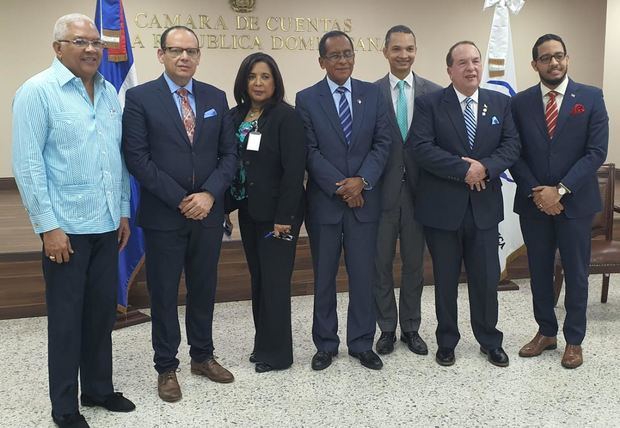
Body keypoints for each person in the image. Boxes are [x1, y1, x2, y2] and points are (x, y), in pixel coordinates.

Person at [12, 13, 135, 428]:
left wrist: (121, 210)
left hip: (105, 226)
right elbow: (28, 166)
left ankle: (99, 388)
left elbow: (116, 160)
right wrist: (48, 227)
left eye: (96, 42)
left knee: (101, 315)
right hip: (65, 232)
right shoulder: (37, 92)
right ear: (58, 48)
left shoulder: (107, 93)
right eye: (80, 41)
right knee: (67, 321)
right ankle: (65, 406)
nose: (90, 49)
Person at [122, 25, 237, 402]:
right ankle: (166, 367)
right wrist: (182, 199)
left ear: (199, 56)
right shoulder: (140, 98)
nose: (184, 57)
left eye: (191, 51)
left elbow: (229, 155)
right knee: (165, 293)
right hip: (164, 216)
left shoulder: (215, 97)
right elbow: (138, 158)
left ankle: (202, 357)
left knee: (204, 288)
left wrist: (208, 195)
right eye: (175, 50)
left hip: (207, 214)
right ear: (161, 55)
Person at [409, 41, 520, 367]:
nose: (471, 68)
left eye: (475, 61)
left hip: (484, 209)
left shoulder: (500, 102)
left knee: (486, 279)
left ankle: (489, 339)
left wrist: (484, 167)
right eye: (462, 63)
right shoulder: (430, 104)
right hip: (442, 210)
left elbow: (512, 146)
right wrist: (464, 169)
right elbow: (422, 148)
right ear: (449, 70)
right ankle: (447, 341)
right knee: (444, 280)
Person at [510, 34, 608, 369]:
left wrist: (561, 189)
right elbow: (514, 153)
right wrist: (539, 191)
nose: (554, 63)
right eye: (546, 58)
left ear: (567, 58)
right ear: (534, 64)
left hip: (576, 204)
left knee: (577, 273)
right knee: (538, 271)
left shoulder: (591, 97)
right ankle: (546, 332)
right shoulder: (519, 103)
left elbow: (596, 152)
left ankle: (574, 340)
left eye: (559, 56)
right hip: (534, 203)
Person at [296, 30, 391, 371]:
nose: (343, 61)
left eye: (348, 54)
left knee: (363, 275)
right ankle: (325, 344)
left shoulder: (373, 95)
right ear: (321, 61)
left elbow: (383, 143)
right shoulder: (306, 98)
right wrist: (342, 187)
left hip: (364, 201)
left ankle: (362, 342)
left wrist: (361, 182)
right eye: (334, 56)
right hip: (325, 203)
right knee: (323, 277)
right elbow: (309, 151)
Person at [226, 52, 306, 373]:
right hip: (248, 210)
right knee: (259, 280)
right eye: (252, 77)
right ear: (243, 81)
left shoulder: (287, 117)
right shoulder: (236, 116)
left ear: (276, 82)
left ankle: (278, 354)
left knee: (275, 282)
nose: (258, 83)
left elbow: (293, 171)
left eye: (265, 76)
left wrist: (284, 217)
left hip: (279, 215)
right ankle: (263, 345)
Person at [373, 25, 441, 356]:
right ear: (385, 51)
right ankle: (386, 328)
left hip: (420, 193)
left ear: (416, 51)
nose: (404, 55)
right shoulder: (370, 93)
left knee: (414, 264)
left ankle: (411, 327)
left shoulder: (434, 92)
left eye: (410, 49)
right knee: (380, 264)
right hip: (381, 194)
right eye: (397, 49)